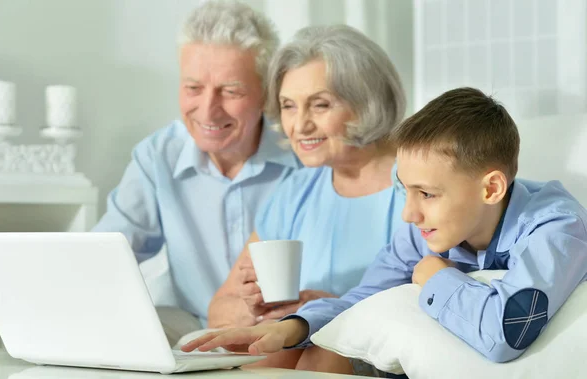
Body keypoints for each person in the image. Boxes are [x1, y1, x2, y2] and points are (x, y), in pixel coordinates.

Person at [183, 87, 587, 374]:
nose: (409, 214)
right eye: (404, 190)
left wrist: (436, 276)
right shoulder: (424, 229)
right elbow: (362, 300)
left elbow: (506, 331)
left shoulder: (556, 228)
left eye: (426, 193)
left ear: (491, 188)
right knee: (308, 354)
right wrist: (289, 327)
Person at [92, 1, 300, 343]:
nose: (208, 110)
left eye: (231, 91)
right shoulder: (157, 157)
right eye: (193, 88)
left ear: (266, 94)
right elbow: (105, 256)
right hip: (193, 327)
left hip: (282, 330)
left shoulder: (301, 158)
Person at [205, 24, 406, 373]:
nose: (299, 125)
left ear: (367, 101)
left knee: (324, 353)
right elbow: (219, 308)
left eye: (320, 105)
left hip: (381, 351)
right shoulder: (294, 191)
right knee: (268, 351)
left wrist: (329, 309)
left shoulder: (416, 183)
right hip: (300, 349)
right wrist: (254, 308)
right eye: (288, 106)